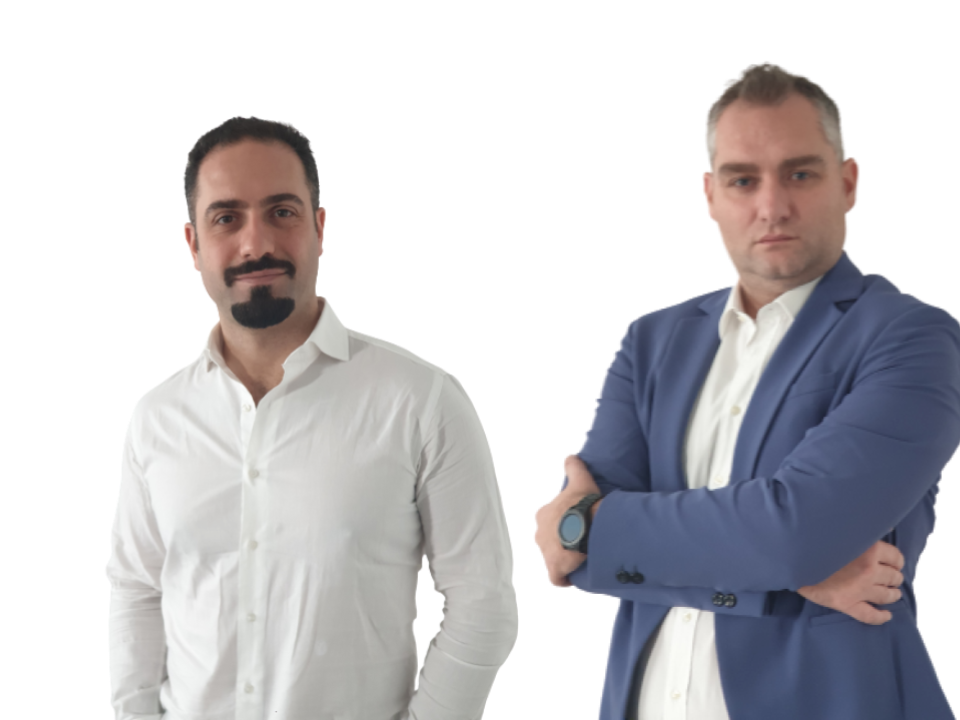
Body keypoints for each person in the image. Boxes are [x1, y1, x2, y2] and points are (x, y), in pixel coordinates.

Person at [533, 62, 957, 719]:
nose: (772, 206)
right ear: (710, 195)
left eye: (800, 174)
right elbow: (574, 558)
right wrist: (787, 576)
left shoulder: (912, 337)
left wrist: (610, 533)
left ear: (848, 183)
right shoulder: (651, 341)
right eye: (743, 180)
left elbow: (794, 532)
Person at [106, 116, 520, 719]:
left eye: (282, 212)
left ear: (320, 228)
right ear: (193, 244)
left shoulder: (421, 400)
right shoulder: (156, 418)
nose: (256, 244)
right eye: (227, 218)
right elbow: (137, 591)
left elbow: (483, 604)